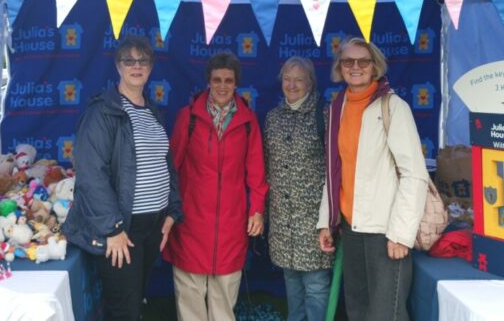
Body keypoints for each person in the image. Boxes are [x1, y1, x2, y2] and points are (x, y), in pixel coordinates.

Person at [62, 35, 182, 321]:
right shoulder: (103, 111)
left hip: (153, 226)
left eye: (143, 61)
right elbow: (91, 175)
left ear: (151, 67)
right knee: (123, 311)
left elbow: (166, 164)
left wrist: (172, 211)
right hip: (122, 230)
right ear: (118, 66)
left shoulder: (152, 112)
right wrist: (112, 228)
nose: (136, 66)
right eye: (129, 60)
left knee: (135, 300)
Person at [317, 37, 429, 321]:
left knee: (385, 314)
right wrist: (326, 222)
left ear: (375, 66)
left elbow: (414, 174)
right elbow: (334, 172)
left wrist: (401, 234)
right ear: (340, 67)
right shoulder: (336, 108)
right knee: (358, 311)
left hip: (385, 231)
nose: (356, 67)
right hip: (350, 228)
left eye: (363, 61)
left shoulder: (393, 107)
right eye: (348, 61)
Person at [163, 51, 268, 321]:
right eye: (217, 79)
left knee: (224, 303)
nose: (222, 86)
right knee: (190, 303)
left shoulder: (247, 122)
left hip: (231, 225)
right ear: (208, 82)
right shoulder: (189, 118)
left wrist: (256, 210)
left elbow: (256, 172)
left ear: (236, 83)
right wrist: (170, 213)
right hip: (191, 223)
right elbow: (171, 169)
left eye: (229, 80)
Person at [264, 57, 333, 321]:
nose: (292, 85)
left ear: (311, 83)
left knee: (316, 286)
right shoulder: (273, 118)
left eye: (299, 79)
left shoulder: (324, 115)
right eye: (287, 79)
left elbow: (334, 170)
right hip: (283, 222)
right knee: (291, 283)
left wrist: (329, 219)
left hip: (314, 220)